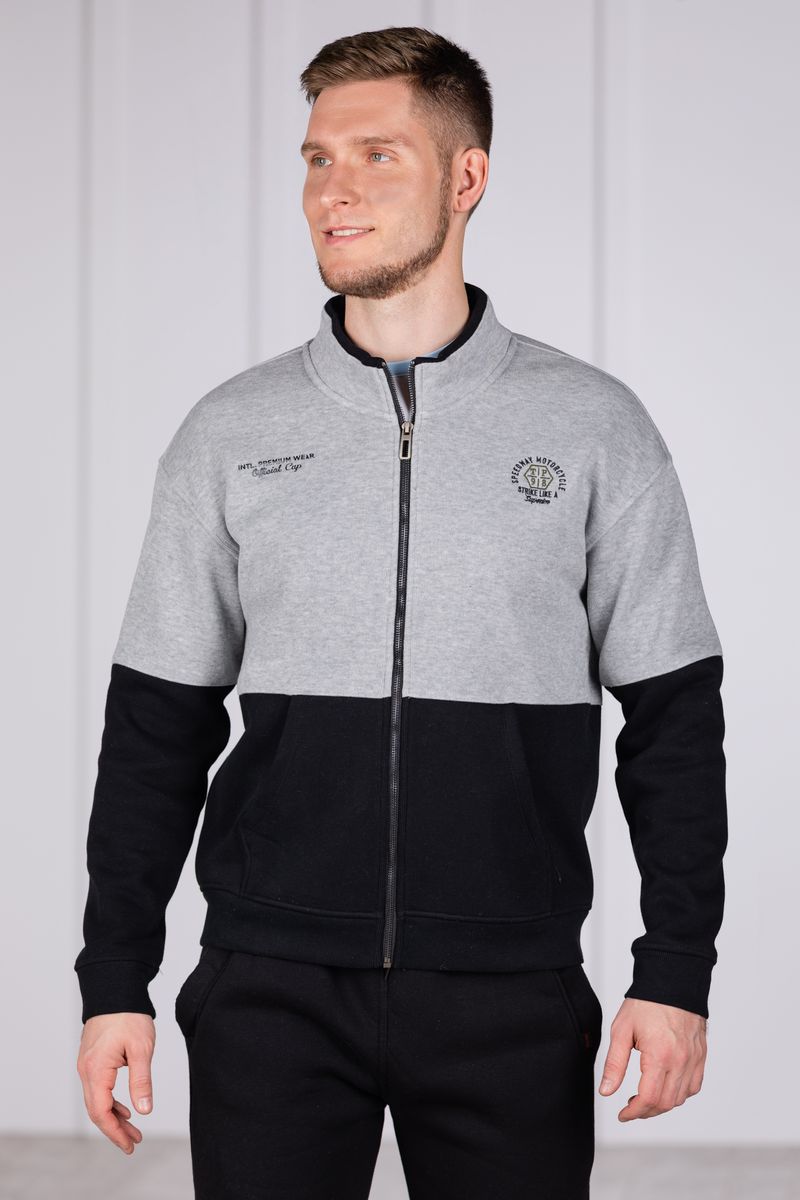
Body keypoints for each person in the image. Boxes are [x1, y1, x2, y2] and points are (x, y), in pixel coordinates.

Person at [74, 25, 727, 1200]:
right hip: (269, 992)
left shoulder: (592, 427)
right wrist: (114, 980)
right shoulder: (230, 433)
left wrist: (673, 971)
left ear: (464, 178)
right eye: (317, 159)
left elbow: (673, 721)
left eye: (377, 155)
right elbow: (155, 728)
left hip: (510, 993)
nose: (334, 189)